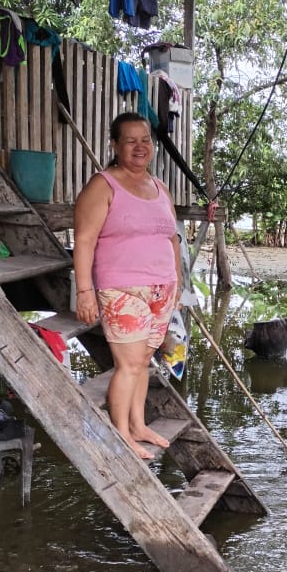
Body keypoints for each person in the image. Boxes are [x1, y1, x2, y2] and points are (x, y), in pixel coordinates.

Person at [73, 112, 182, 460]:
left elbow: (173, 239)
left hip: (162, 289)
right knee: (129, 364)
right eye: (130, 140)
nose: (140, 146)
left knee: (145, 361)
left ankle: (138, 425)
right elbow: (84, 240)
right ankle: (121, 433)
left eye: (145, 140)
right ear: (114, 145)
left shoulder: (160, 187)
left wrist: (178, 283)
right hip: (122, 290)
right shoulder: (103, 185)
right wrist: (84, 291)